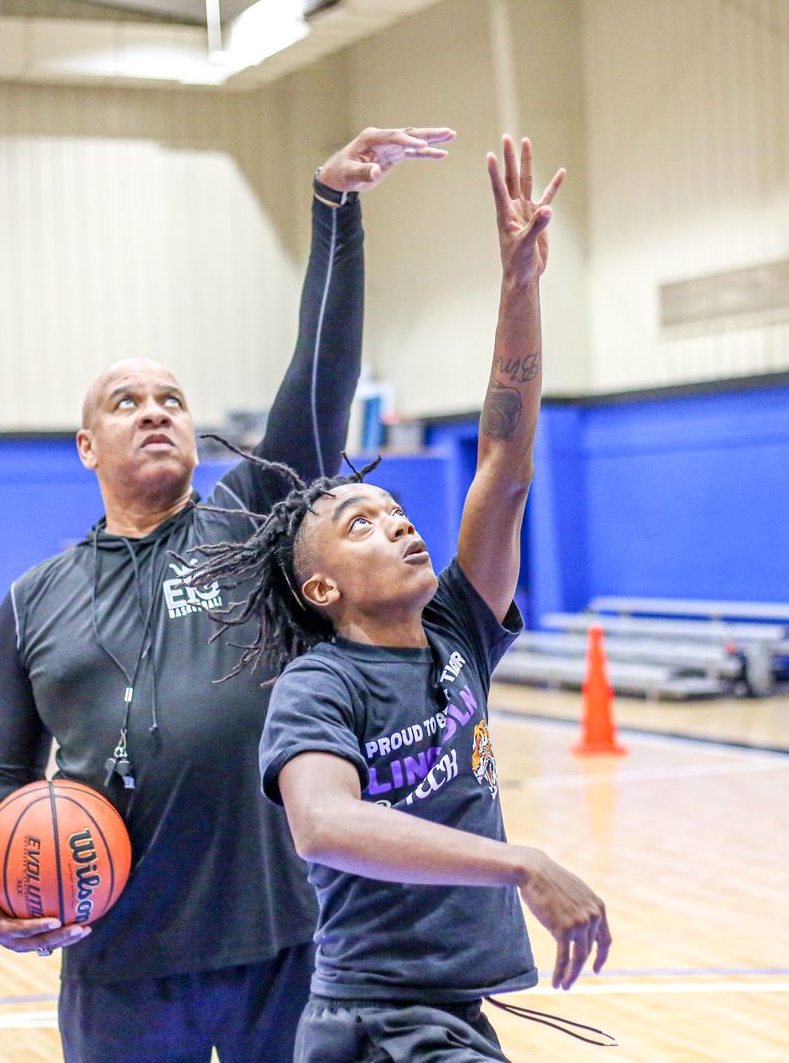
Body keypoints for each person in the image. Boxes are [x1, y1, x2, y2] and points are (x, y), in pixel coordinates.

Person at [0, 125, 456, 1063]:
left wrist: (334, 212)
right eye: (127, 402)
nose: (155, 410)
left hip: (289, 946)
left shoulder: (253, 525)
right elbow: (2, 775)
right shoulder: (31, 601)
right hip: (120, 959)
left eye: (173, 399)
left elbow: (320, 381)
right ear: (87, 446)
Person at [187, 136, 612, 1062]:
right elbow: (323, 822)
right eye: (363, 522)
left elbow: (503, 464)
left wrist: (520, 281)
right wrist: (519, 860)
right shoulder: (320, 688)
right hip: (377, 1022)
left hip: (449, 1008)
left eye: (397, 509)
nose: (401, 524)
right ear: (322, 585)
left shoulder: (457, 633)